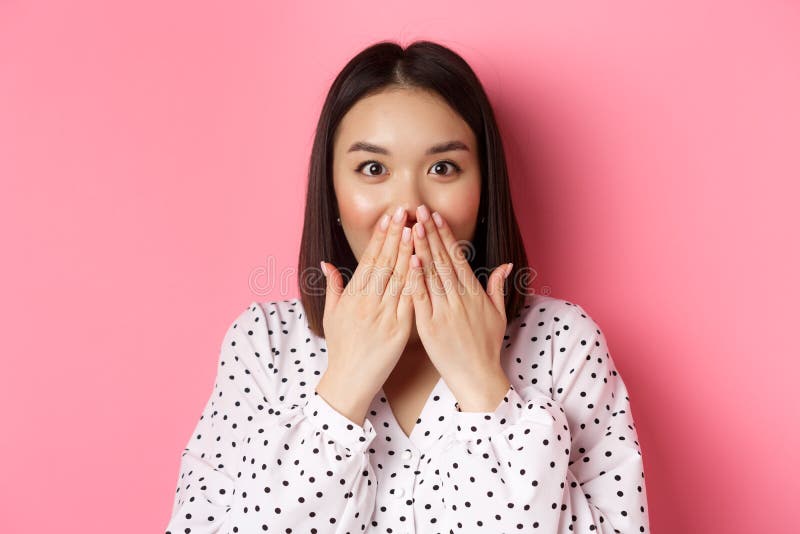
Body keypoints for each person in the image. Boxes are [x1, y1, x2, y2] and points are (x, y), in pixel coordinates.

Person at [165, 39, 651, 533]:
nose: (410, 208)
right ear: (331, 190)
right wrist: (343, 386)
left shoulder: (560, 343)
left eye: (443, 168)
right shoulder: (265, 343)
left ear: (483, 191)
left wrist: (481, 384)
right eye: (373, 169)